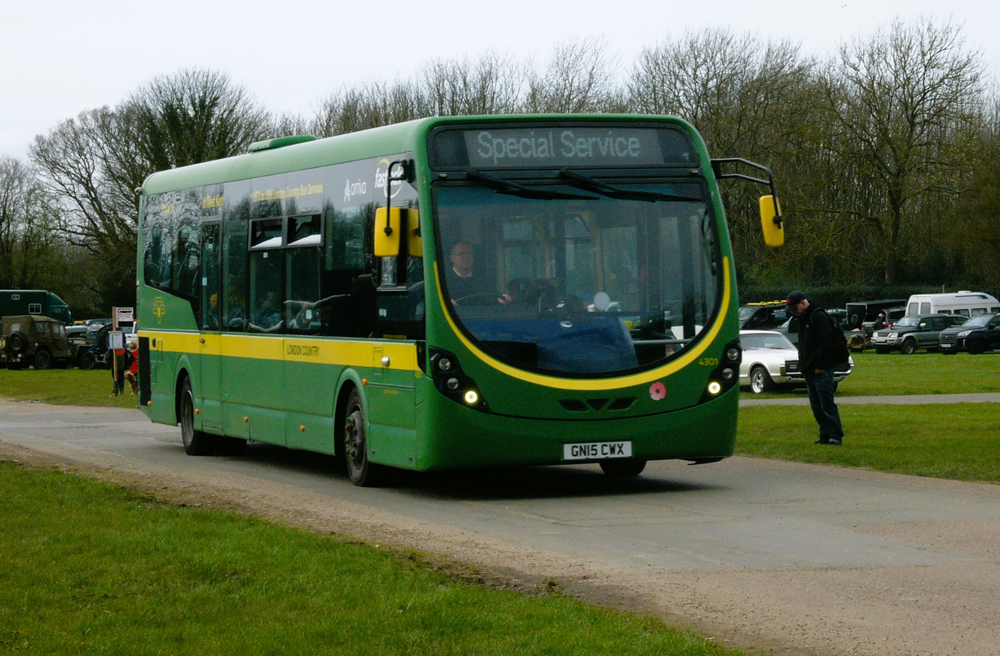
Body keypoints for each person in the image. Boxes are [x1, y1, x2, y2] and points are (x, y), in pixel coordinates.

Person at [786, 290, 845, 445]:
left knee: (826, 404)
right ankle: (824, 434)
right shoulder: (804, 318)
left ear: (803, 303)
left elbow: (826, 344)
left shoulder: (818, 317)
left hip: (821, 369)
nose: (793, 312)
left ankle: (835, 435)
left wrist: (820, 366)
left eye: (794, 308)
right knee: (816, 406)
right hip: (809, 369)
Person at [446, 241, 514, 305]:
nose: (467, 257)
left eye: (470, 254)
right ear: (452, 258)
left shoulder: (483, 281)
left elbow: (494, 297)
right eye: (462, 254)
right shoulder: (444, 280)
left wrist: (504, 298)